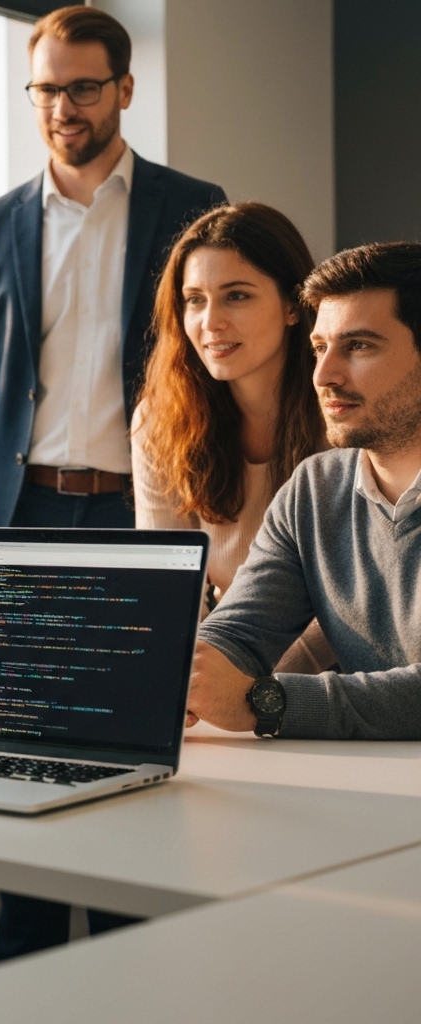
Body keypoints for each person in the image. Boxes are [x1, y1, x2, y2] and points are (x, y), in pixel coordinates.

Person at [0, 4, 225, 960]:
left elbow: (219, 371)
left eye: (83, 87)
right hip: (22, 513)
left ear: (126, 89)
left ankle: (135, 976)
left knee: (132, 760)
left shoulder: (193, 207)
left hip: (146, 515)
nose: (62, 107)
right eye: (46, 89)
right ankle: (24, 983)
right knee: (17, 765)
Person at [189, 241, 421, 740]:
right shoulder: (315, 488)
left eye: (359, 346)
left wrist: (265, 704)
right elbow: (238, 633)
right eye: (320, 348)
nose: (323, 375)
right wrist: (184, 680)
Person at [132, 202, 334, 671]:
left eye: (237, 296)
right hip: (230, 661)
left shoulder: (342, 417)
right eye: (195, 299)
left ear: (292, 305)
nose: (210, 322)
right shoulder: (160, 421)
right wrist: (183, 674)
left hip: (339, 676)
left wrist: (241, 686)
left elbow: (349, 605)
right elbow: (167, 591)